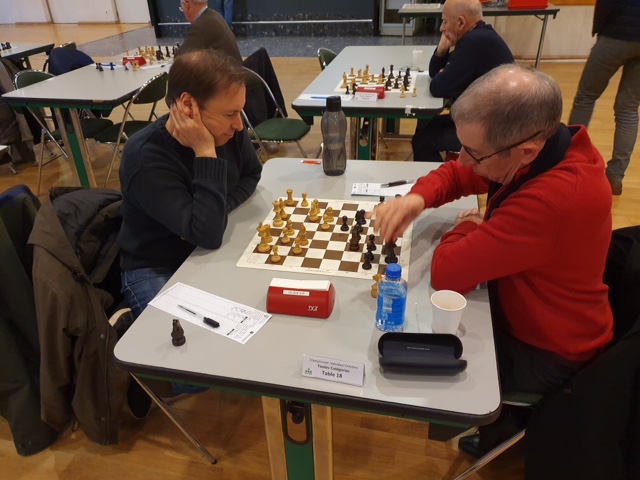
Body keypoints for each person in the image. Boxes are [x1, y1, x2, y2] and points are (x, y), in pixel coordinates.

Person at [373, 64, 614, 456]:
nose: (465, 160)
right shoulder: (541, 147)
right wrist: (415, 199)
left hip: (549, 353)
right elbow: (457, 174)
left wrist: (470, 225)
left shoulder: (556, 198)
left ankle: (486, 427)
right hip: (526, 313)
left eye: (474, 153)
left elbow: (447, 273)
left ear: (526, 150)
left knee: (416, 346)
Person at [118, 49, 262, 319]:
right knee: (184, 341)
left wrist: (217, 210)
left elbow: (252, 174)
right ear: (187, 105)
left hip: (208, 250)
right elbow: (208, 235)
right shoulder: (145, 157)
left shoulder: (228, 130)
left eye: (239, 112)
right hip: (155, 267)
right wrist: (205, 151)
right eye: (230, 114)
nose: (239, 125)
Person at [411, 0, 513, 162]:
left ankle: (443, 178)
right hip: (487, 119)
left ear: (460, 22)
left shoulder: (473, 42)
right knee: (426, 125)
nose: (441, 28)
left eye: (445, 22)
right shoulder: (478, 35)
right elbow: (434, 73)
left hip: (493, 131)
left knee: (423, 140)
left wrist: (445, 75)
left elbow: (437, 87)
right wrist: (442, 48)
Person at [568, 0, 640, 195]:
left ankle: (570, 162)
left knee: (585, 97)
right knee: (628, 109)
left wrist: (600, 29)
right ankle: (615, 177)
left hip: (617, 33)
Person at [176, 0, 242, 64]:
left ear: (186, 5)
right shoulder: (214, 15)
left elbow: (180, 58)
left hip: (229, 71)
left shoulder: (200, 26)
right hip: (236, 69)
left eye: (182, 8)